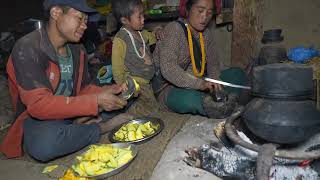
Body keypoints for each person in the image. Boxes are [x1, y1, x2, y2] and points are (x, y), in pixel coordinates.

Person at [0, 0, 132, 162]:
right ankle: (99, 127)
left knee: (124, 99)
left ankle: (77, 127)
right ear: (56, 13)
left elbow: (82, 89)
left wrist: (109, 91)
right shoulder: (28, 48)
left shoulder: (77, 49)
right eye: (79, 18)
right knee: (44, 145)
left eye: (86, 21)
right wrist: (95, 102)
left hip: (71, 110)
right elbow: (38, 105)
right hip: (40, 119)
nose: (84, 25)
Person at [152, 0, 242, 118]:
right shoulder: (174, 30)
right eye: (200, 11)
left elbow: (213, 63)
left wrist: (215, 81)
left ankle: (222, 104)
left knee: (237, 74)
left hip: (200, 81)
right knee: (191, 99)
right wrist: (200, 84)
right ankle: (221, 107)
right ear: (187, 9)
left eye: (209, 13)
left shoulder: (206, 34)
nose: (205, 17)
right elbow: (168, 69)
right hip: (170, 89)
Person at [111, 0, 162, 116]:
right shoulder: (121, 39)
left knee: (151, 107)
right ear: (124, 20)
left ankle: (130, 111)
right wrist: (121, 84)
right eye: (139, 17)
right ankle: (126, 115)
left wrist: (158, 31)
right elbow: (117, 67)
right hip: (135, 82)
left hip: (147, 81)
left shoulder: (142, 33)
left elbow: (154, 37)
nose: (143, 19)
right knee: (152, 110)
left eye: (143, 15)